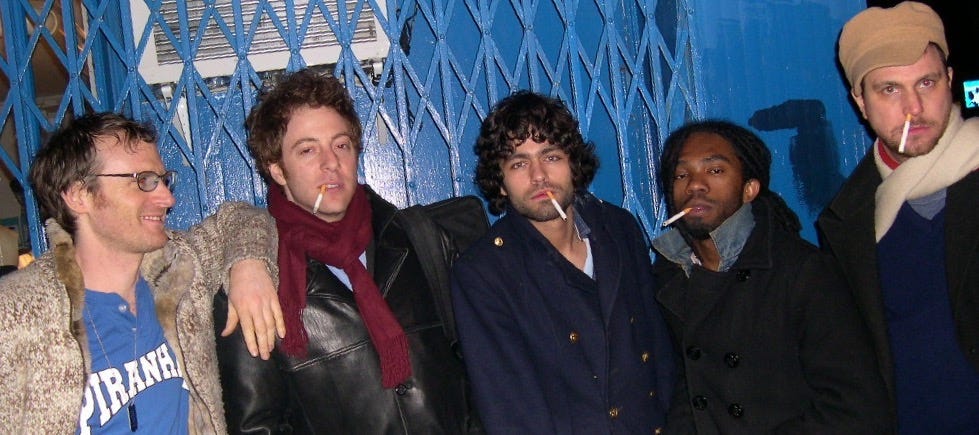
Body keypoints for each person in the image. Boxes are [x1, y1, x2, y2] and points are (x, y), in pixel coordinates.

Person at [216, 68, 481, 433]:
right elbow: (258, 426)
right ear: (277, 169)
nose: (331, 162)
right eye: (308, 150)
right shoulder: (259, 282)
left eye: (341, 145)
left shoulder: (418, 238)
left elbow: (480, 366)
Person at [0, 112, 282, 432]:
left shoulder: (177, 270)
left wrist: (249, 265)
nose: (167, 198)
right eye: (143, 181)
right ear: (79, 195)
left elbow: (243, 218)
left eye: (163, 180)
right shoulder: (17, 314)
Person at [451, 90, 675, 434]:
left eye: (551, 156)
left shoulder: (619, 229)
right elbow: (508, 407)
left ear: (573, 163)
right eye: (518, 163)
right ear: (501, 183)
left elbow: (657, 349)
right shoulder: (484, 272)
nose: (538, 176)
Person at [652, 120, 889, 433]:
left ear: (749, 189)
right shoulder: (670, 277)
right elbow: (686, 392)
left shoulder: (802, 271)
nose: (695, 185)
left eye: (715, 170)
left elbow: (855, 406)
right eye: (681, 175)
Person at [819, 2, 979, 432]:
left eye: (926, 82)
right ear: (860, 102)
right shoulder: (847, 221)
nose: (913, 107)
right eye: (889, 89)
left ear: (949, 81)